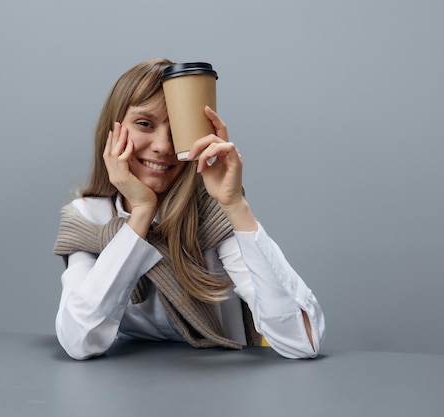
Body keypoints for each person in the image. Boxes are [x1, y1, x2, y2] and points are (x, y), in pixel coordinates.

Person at [53, 58, 325, 360]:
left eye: (177, 128)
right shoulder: (88, 219)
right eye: (144, 124)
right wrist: (141, 213)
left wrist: (235, 206)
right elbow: (79, 340)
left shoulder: (210, 214)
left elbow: (302, 341)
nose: (163, 146)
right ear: (112, 131)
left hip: (222, 385)